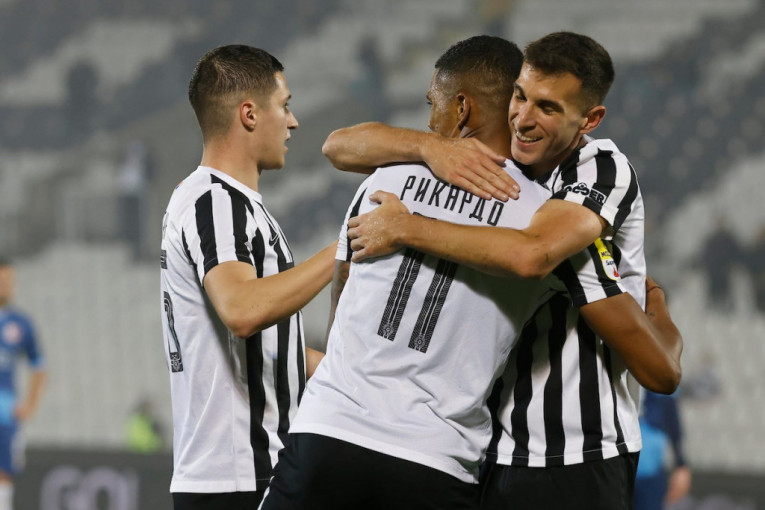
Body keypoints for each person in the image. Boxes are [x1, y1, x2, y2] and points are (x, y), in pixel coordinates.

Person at [262, 35, 680, 510]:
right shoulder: (532, 205)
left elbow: (532, 255)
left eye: (547, 107)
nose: (523, 118)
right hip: (468, 451)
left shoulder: (389, 183)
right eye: (519, 97)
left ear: (589, 120)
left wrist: (408, 226)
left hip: (572, 451)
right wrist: (428, 147)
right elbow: (337, 145)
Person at [160, 45, 336, 510]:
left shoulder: (225, 203)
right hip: (238, 476)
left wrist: (349, 371)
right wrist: (344, 250)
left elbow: (262, 347)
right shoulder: (215, 201)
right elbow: (241, 310)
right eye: (285, 105)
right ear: (250, 114)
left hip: (247, 473)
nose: (293, 121)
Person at [0, 257, 47, 510]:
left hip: (5, 411)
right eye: (2, 280)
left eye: (10, 281)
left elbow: (39, 367)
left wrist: (29, 405)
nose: (6, 286)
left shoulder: (20, 323)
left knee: (3, 472)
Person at [634, 390, 692, 510]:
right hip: (614, 469)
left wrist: (681, 465)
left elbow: (673, 422)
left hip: (650, 471)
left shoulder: (660, 386)